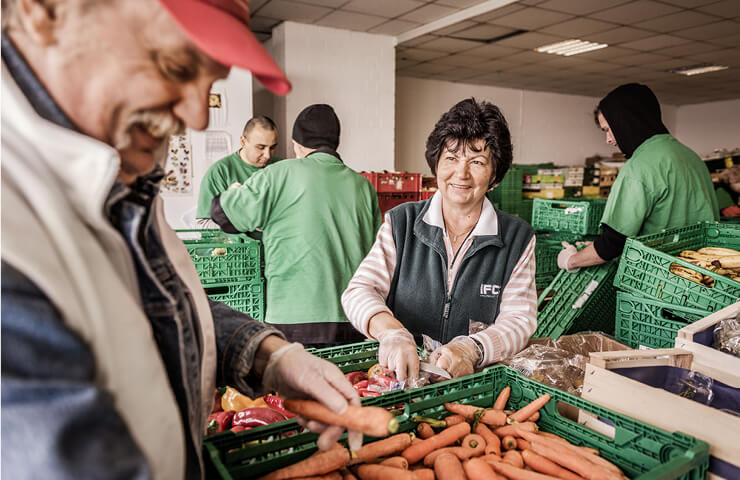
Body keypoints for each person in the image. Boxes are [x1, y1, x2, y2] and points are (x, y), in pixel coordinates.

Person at [1, 1, 362, 478]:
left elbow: (148, 297)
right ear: (46, 10)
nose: (196, 116)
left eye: (210, 82)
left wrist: (269, 354)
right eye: (173, 65)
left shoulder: (117, 168)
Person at [341, 98, 538, 382]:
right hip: (399, 379)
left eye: (477, 161)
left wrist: (472, 348)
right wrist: (391, 332)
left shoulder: (517, 238)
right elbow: (359, 290)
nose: (461, 173)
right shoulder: (402, 222)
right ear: (436, 164)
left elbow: (519, 320)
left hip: (471, 388)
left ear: (494, 176)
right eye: (451, 157)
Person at [211, 104, 382, 347]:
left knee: (294, 385)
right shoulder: (363, 186)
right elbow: (375, 253)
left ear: (297, 144)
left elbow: (223, 214)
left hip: (293, 319)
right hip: (353, 318)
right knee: (347, 383)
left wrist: (233, 191)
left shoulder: (278, 174)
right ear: (335, 143)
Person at [558, 83, 719, 272]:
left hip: (660, 280)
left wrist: (572, 260)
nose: (609, 140)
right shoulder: (690, 156)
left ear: (626, 122)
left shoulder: (640, 166)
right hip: (706, 274)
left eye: (609, 129)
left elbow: (612, 243)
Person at [196, 116, 279, 221]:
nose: (267, 155)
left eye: (272, 148)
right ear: (243, 142)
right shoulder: (219, 172)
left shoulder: (281, 168)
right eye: (261, 147)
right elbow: (205, 223)